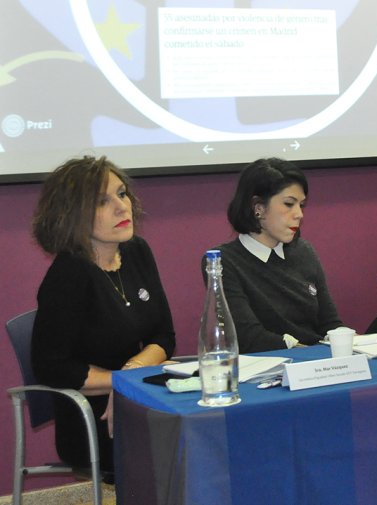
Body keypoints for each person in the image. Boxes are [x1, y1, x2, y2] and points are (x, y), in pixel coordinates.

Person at [31, 156, 175, 479]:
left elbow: (164, 336)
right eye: (102, 201)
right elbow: (52, 367)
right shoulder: (68, 274)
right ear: (72, 215)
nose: (123, 207)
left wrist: (131, 375)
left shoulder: (137, 251)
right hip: (91, 417)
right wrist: (121, 383)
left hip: (138, 394)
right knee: (184, 443)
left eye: (122, 194)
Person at [206, 157, 343, 352]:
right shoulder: (223, 261)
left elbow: (330, 323)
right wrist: (310, 355)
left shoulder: (304, 251)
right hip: (269, 369)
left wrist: (347, 342)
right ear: (258, 208)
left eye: (301, 205)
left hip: (317, 364)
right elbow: (248, 338)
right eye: (289, 204)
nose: (299, 214)